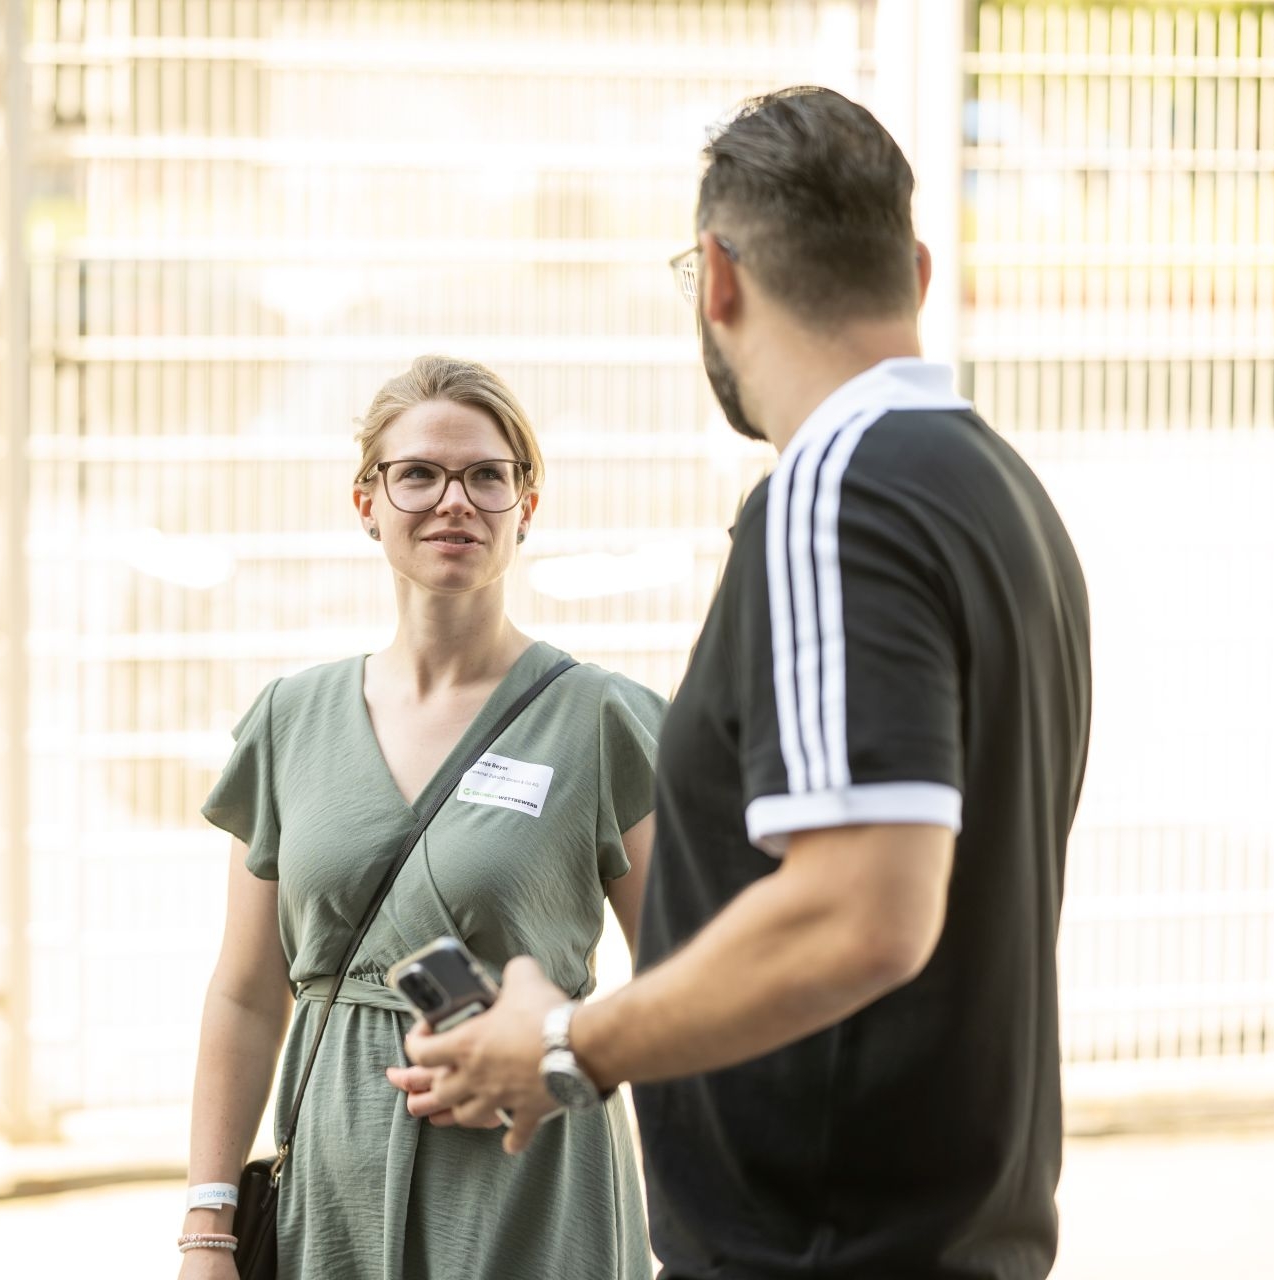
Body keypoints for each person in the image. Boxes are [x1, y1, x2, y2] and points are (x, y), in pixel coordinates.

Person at [399, 87, 1093, 1280]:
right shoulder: (997, 490)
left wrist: (566, 1042)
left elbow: (863, 910)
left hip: (822, 1251)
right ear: (916, 272)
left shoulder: (835, 493)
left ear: (717, 278)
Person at [178, 354, 663, 1279]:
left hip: (532, 1177)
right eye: (419, 475)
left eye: (487, 475)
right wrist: (209, 1222)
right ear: (367, 502)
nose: (455, 501)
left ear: (526, 504)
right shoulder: (290, 721)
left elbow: (685, 975)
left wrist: (562, 1047)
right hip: (335, 1187)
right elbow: (245, 993)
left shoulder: (599, 719)